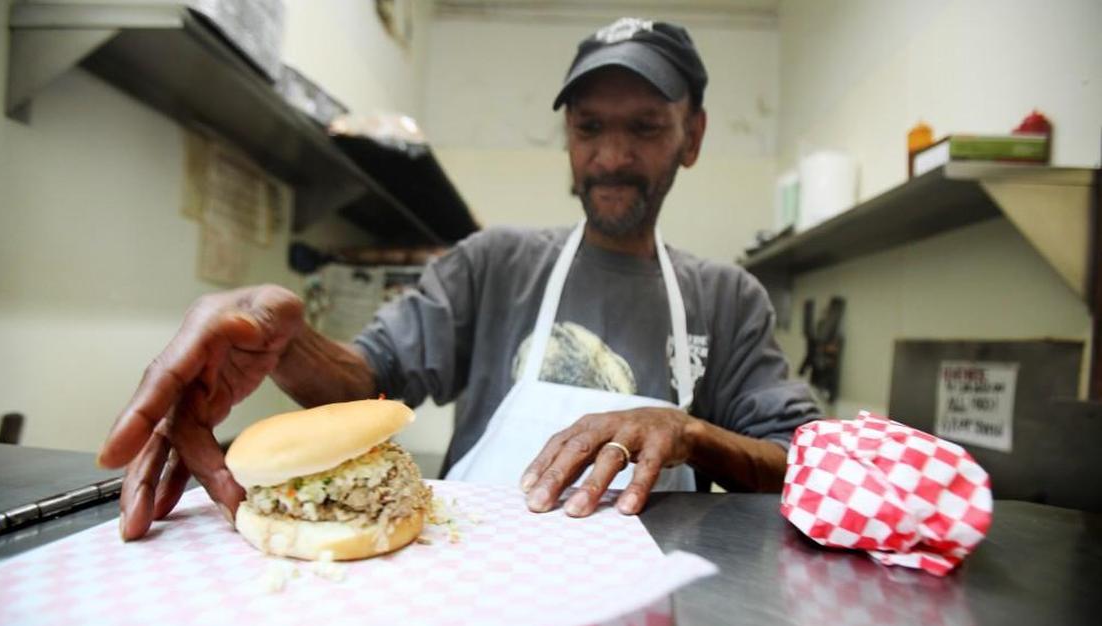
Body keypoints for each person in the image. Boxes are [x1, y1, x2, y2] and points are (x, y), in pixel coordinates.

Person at [99, 17, 820, 542]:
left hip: (659, 589)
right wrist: (288, 345)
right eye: (590, 127)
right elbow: (367, 383)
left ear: (691, 137)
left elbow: (804, 462)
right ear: (568, 134)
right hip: (476, 578)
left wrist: (688, 431)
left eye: (646, 127)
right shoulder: (493, 263)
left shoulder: (727, 298)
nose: (612, 155)